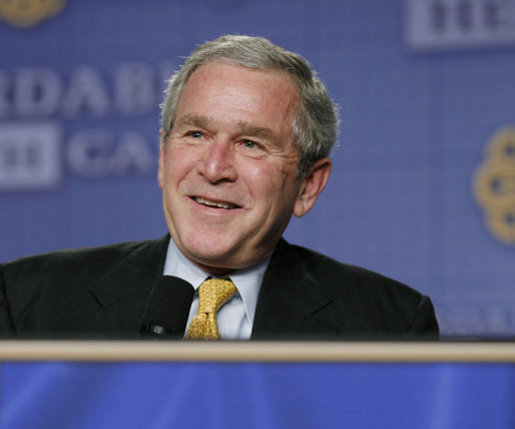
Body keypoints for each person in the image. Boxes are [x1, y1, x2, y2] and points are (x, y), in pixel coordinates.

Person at [0, 35, 438, 339]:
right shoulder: (26, 300)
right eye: (195, 135)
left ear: (308, 184)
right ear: (163, 157)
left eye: (250, 143)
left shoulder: (389, 322)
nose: (213, 168)